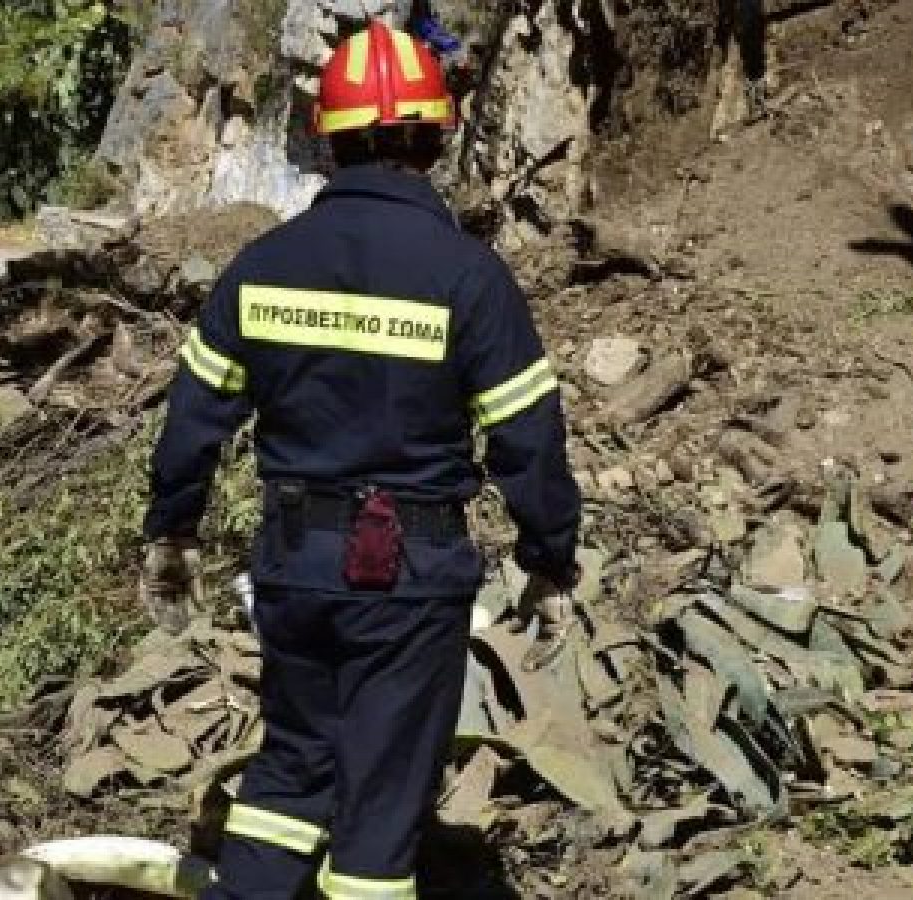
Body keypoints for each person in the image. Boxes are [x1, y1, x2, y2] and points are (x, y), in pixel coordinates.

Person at [137, 19, 581, 900]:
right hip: (407, 580)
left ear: (327, 137)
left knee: (292, 768)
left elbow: (193, 419)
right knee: (381, 804)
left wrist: (172, 533)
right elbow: (526, 437)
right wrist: (549, 555)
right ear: (436, 136)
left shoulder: (263, 267)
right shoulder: (467, 276)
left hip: (293, 567)